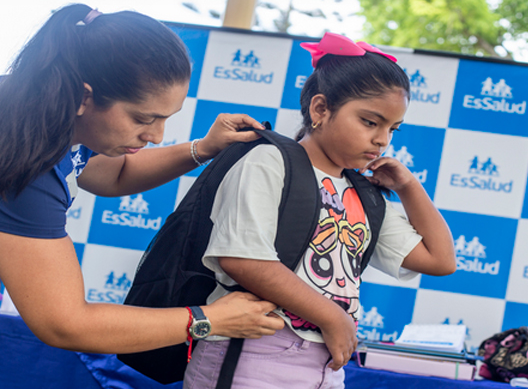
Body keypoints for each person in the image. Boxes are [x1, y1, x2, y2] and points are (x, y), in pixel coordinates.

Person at [0, 4, 285, 389]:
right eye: (143, 118)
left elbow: (115, 174)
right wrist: (209, 320)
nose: (156, 135)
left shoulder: (32, 102)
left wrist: (202, 149)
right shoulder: (20, 157)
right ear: (84, 96)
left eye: (165, 119)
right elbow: (64, 321)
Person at [182, 32, 457, 389]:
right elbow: (242, 259)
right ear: (320, 109)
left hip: (326, 366)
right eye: (370, 122)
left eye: (393, 128)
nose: (382, 139)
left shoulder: (364, 193)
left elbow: (440, 261)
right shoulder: (270, 161)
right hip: (251, 352)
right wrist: (333, 317)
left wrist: (409, 188)